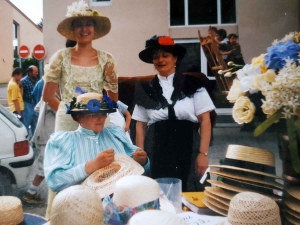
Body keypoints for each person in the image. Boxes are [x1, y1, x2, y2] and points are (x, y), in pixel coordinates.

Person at [132, 35, 216, 191]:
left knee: (191, 189)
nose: (160, 60)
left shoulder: (193, 85)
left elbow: (205, 121)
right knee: (157, 192)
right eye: (156, 57)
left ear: (175, 58)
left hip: (188, 144)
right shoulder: (146, 89)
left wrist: (203, 154)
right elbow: (140, 125)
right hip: (156, 148)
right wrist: (141, 154)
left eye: (165, 55)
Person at [44, 92, 149, 193]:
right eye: (93, 115)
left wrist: (142, 161)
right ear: (78, 117)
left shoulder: (115, 134)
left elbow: (138, 168)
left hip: (121, 199)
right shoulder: (66, 141)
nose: (100, 118)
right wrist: (92, 165)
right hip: (85, 204)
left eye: (103, 114)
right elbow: (54, 181)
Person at [42, 0, 118, 133]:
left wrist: (96, 115)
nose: (84, 29)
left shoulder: (107, 60)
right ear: (73, 29)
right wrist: (69, 113)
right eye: (79, 25)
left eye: (88, 24)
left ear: (94, 28)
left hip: (97, 123)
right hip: (67, 123)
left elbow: (113, 99)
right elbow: (47, 96)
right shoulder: (60, 57)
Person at [22, 79, 59, 205]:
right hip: (45, 137)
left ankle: (35, 193)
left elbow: (37, 108)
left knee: (49, 165)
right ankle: (30, 193)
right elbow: (61, 113)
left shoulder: (51, 97)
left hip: (47, 136)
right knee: (43, 167)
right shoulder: (52, 98)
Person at [21, 65, 39, 137]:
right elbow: (21, 95)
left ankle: (34, 142)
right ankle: (25, 141)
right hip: (27, 105)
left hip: (36, 105)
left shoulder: (37, 80)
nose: (37, 73)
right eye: (35, 72)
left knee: (35, 125)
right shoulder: (23, 81)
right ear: (30, 72)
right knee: (26, 124)